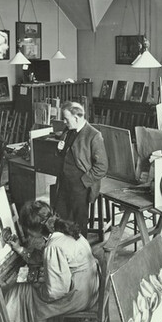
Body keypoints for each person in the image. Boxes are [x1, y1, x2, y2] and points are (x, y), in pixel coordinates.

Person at [0, 201, 100, 322]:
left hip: (78, 296)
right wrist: (20, 249)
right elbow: (51, 264)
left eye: (29, 234)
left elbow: (55, 292)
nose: (28, 237)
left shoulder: (53, 247)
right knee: (26, 287)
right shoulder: (67, 230)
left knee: (22, 292)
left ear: (34, 231)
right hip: (91, 286)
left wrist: (38, 285)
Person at [54, 101, 108, 235]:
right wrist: (59, 149)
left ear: (76, 118)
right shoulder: (69, 130)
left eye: (66, 119)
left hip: (81, 184)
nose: (64, 122)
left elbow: (102, 167)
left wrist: (83, 182)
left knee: (79, 223)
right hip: (64, 182)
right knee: (61, 219)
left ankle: (80, 250)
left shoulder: (94, 135)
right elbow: (64, 152)